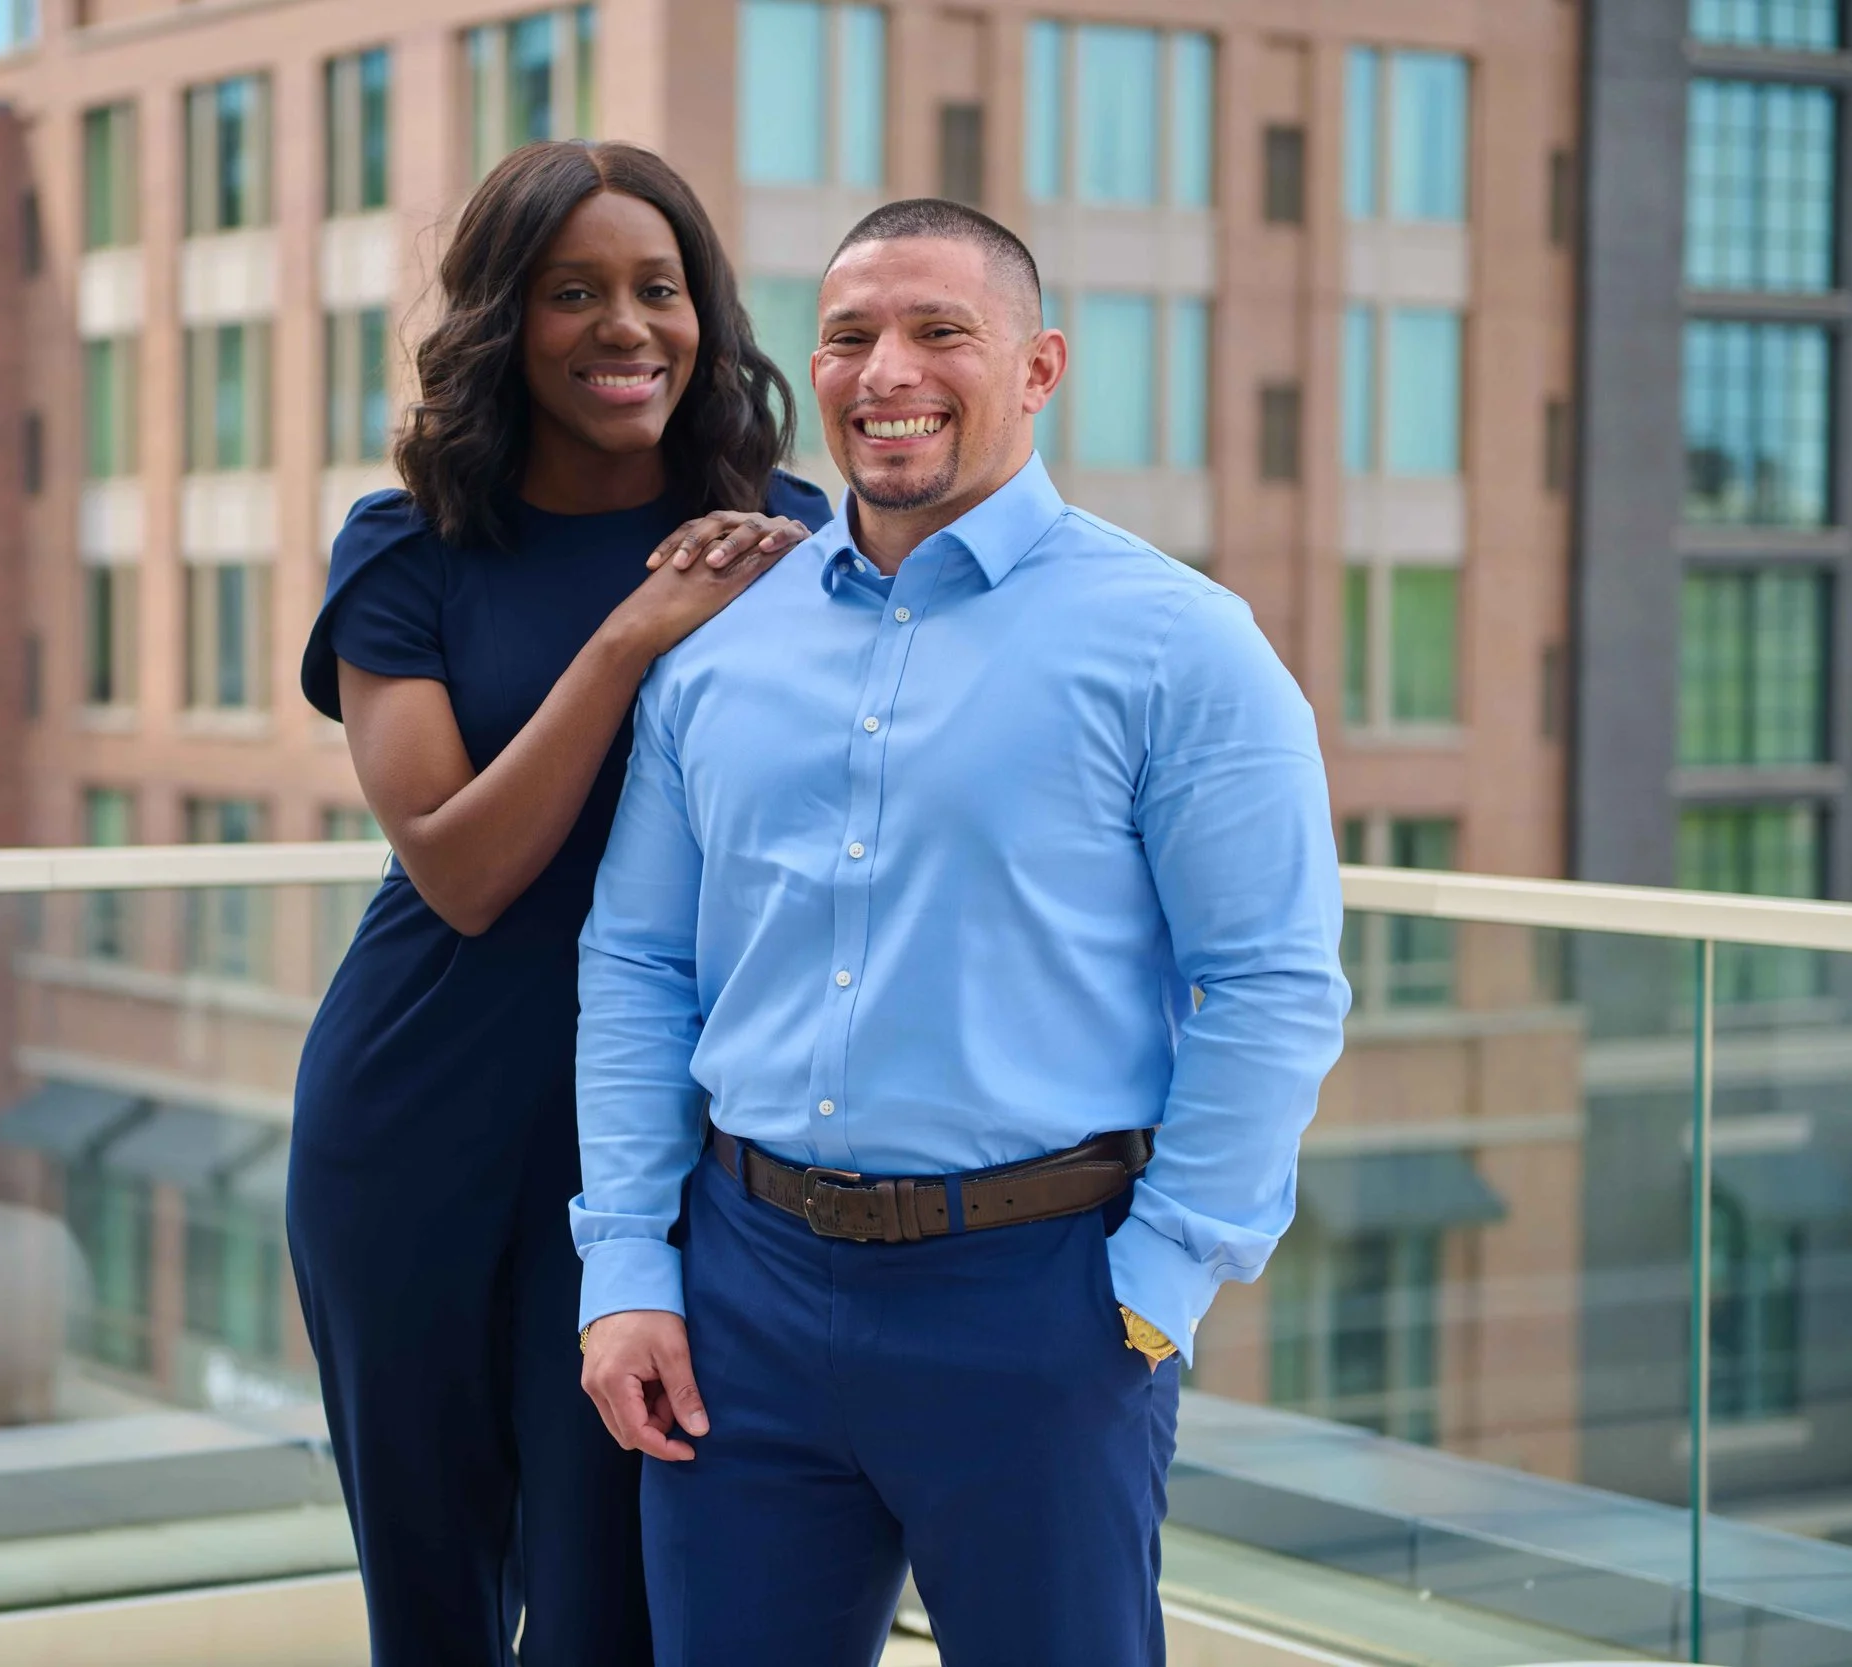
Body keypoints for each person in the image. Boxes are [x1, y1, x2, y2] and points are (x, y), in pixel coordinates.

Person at [573, 197, 1350, 1665]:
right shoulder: (721, 637)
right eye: (853, 335)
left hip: (1041, 1305)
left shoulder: (1179, 642)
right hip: (738, 1294)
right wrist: (626, 1267)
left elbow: (1271, 983)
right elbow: (637, 965)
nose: (888, 372)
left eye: (942, 331)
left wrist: (1156, 1288)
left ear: (1041, 367)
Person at [290, 139, 830, 1666]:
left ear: (705, 314)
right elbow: (455, 868)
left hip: (663, 1156)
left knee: (611, 1601)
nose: (625, 326)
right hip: (414, 1130)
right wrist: (632, 634)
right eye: (570, 292)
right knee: (436, 1608)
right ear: (501, 326)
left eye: (657, 288)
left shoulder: (793, 543)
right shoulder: (411, 544)